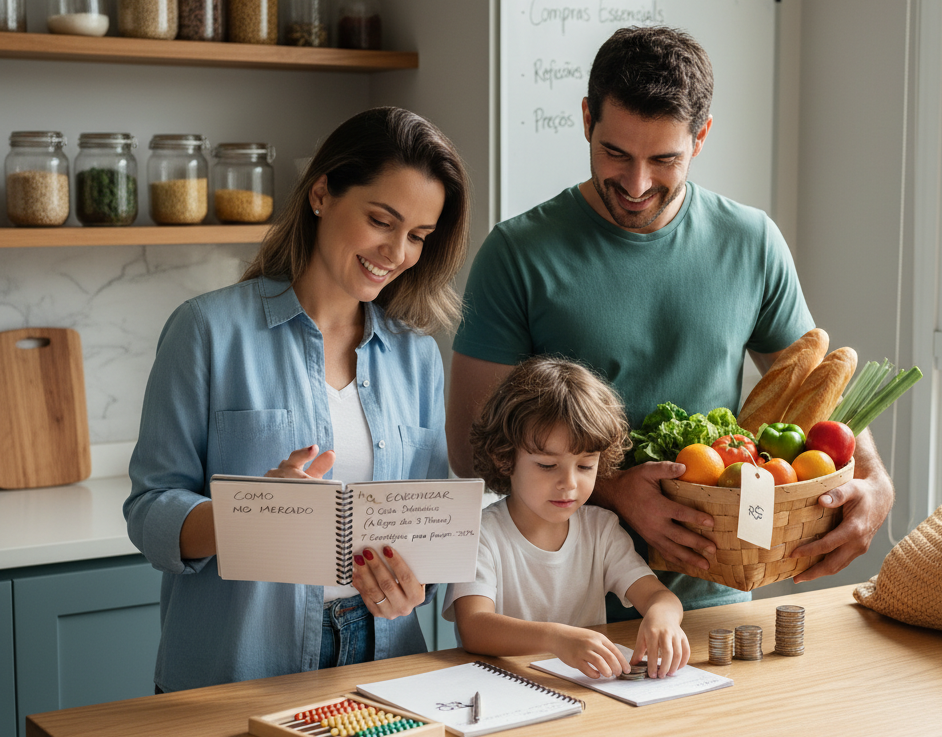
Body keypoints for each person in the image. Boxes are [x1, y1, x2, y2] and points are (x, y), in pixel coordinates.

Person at [446, 26, 895, 620]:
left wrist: (875, 481)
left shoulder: (751, 241)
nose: (636, 185)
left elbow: (819, 388)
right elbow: (469, 448)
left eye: (664, 160)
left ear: (701, 137)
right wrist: (613, 488)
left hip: (720, 594)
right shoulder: (517, 253)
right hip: (563, 610)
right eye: (615, 153)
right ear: (587, 119)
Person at [124, 106, 471, 692]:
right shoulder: (207, 331)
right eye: (381, 221)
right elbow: (149, 512)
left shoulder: (418, 356)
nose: (397, 252)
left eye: (418, 236)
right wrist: (250, 514)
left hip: (382, 662)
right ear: (321, 193)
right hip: (239, 666)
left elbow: (427, 529)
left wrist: (416, 585)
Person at [443, 357, 689, 678]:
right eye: (547, 465)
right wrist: (556, 638)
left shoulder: (601, 530)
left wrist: (662, 619)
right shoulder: (480, 533)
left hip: (583, 692)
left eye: (586, 466)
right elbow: (475, 626)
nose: (570, 483)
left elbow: (658, 596)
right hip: (499, 691)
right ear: (504, 457)